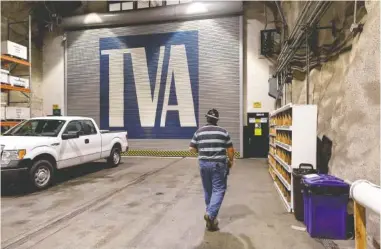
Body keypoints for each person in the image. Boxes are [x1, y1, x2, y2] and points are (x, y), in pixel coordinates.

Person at [189, 108, 235, 231]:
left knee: (208, 190)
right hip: (218, 165)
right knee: (219, 189)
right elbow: (230, 150)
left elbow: (191, 149)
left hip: (204, 164)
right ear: (217, 120)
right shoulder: (223, 132)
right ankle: (210, 214)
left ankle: (211, 218)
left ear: (207, 118)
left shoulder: (199, 132)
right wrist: (231, 161)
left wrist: (202, 152)